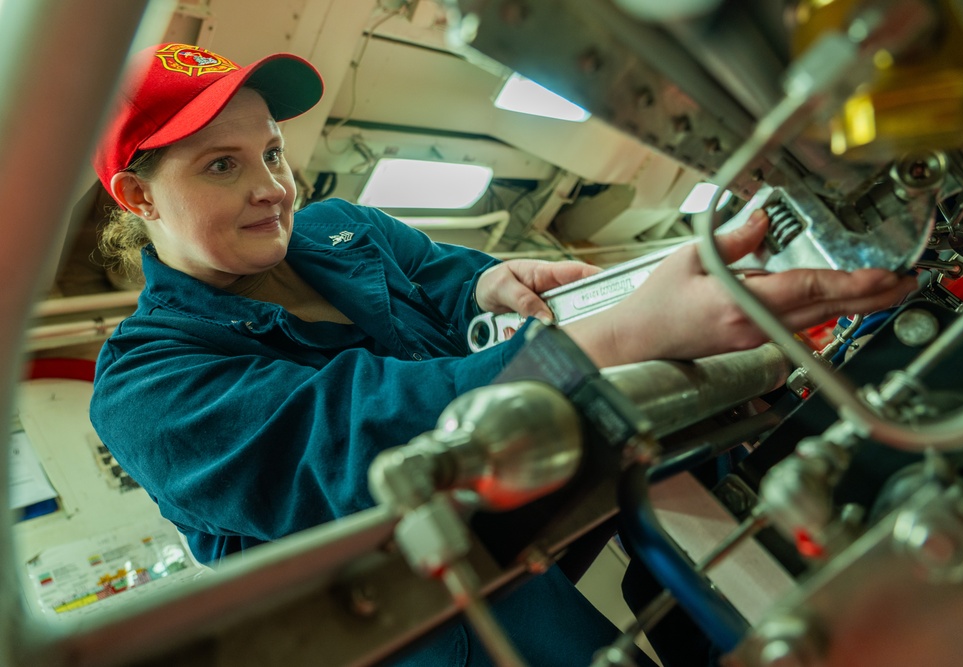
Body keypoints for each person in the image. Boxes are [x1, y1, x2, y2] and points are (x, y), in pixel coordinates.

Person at [89, 43, 915, 666]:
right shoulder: (143, 386)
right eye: (223, 165)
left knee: (697, 558)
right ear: (138, 196)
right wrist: (624, 334)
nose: (271, 186)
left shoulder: (343, 231)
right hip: (424, 613)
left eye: (271, 150)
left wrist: (491, 286)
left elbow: (446, 281)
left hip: (534, 500)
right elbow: (358, 434)